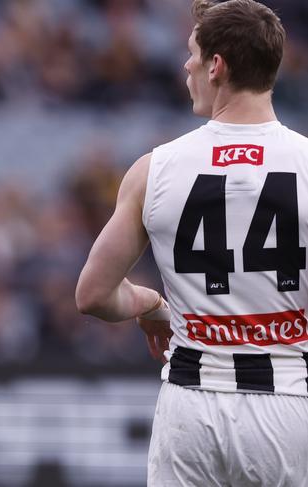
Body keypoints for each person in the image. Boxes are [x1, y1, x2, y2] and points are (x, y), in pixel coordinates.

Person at [76, 1, 308, 485]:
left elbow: (93, 295)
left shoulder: (154, 168)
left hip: (190, 404)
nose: (186, 66)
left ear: (216, 65)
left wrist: (151, 302)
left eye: (192, 53)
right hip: (287, 405)